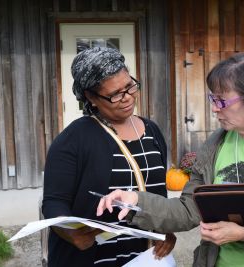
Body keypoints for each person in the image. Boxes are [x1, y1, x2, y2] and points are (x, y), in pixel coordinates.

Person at [97, 52, 244, 266]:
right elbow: (189, 209)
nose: (214, 109)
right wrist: (135, 201)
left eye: (222, 102)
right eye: (213, 100)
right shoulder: (215, 145)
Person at [42, 47, 176, 267]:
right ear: (91, 97)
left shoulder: (152, 131)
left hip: (146, 257)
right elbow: (54, 203)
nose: (127, 98)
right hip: (95, 258)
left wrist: (165, 231)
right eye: (115, 94)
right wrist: (71, 234)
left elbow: (159, 195)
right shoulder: (74, 139)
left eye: (129, 86)